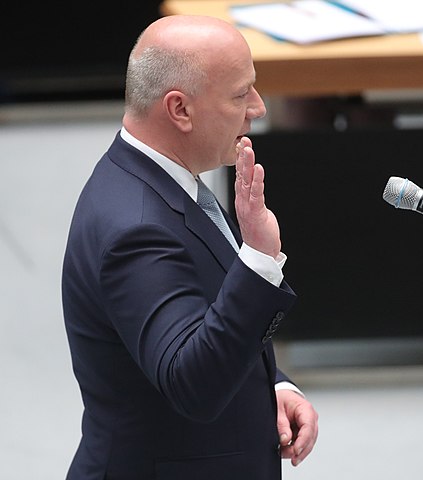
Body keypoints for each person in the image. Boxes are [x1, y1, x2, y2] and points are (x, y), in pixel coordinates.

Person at [61, 15, 318, 480]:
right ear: (180, 109)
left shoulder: (165, 181)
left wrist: (274, 385)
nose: (258, 108)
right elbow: (192, 382)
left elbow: (202, 316)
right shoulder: (136, 229)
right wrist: (259, 259)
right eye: (240, 94)